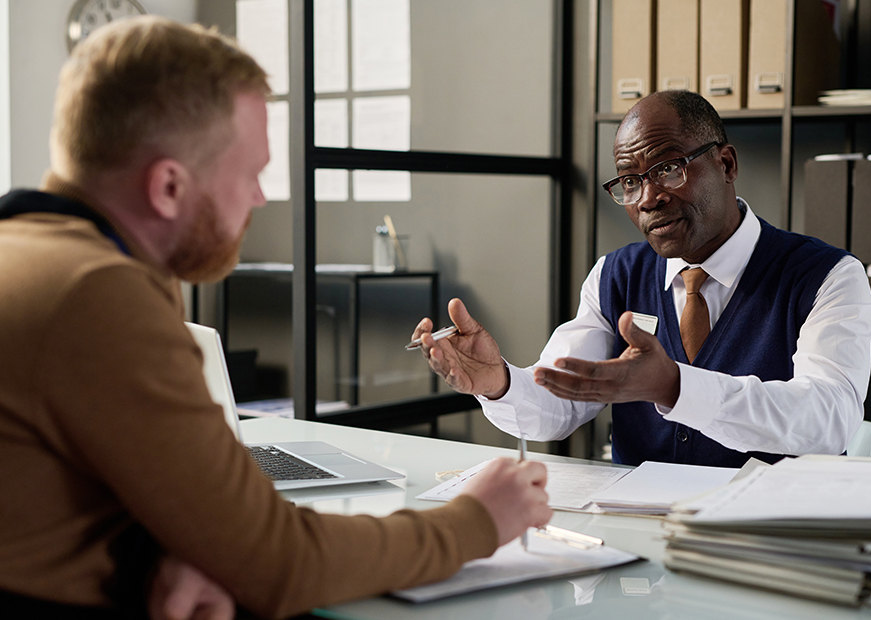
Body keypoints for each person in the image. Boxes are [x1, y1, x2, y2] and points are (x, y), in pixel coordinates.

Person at [0, 16, 551, 620]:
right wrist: (476, 520)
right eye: (251, 174)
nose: (260, 199)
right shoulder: (97, 293)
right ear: (167, 187)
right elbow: (281, 563)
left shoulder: (29, 254)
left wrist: (182, 549)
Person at [412, 90, 871, 468]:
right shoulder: (615, 276)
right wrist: (499, 383)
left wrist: (674, 386)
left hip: (769, 539)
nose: (648, 198)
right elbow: (561, 402)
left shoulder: (827, 276)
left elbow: (828, 417)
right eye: (629, 181)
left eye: (669, 169)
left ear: (727, 165)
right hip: (638, 540)